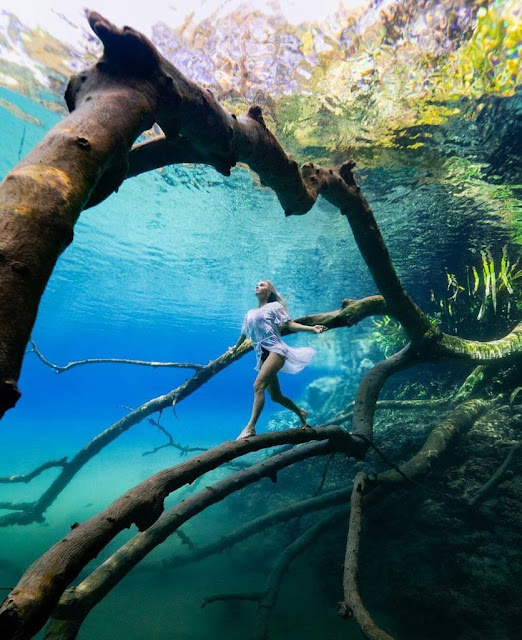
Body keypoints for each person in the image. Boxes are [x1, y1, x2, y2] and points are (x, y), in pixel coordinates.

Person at [230, 280, 327, 439]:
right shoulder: (249, 314)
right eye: (256, 284)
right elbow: (243, 335)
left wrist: (312, 329)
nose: (257, 286)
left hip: (276, 351)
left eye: (262, 285)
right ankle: (301, 412)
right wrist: (234, 349)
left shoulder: (274, 307)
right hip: (262, 356)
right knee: (275, 396)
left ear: (269, 292)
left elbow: (290, 325)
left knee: (258, 385)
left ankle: (250, 427)